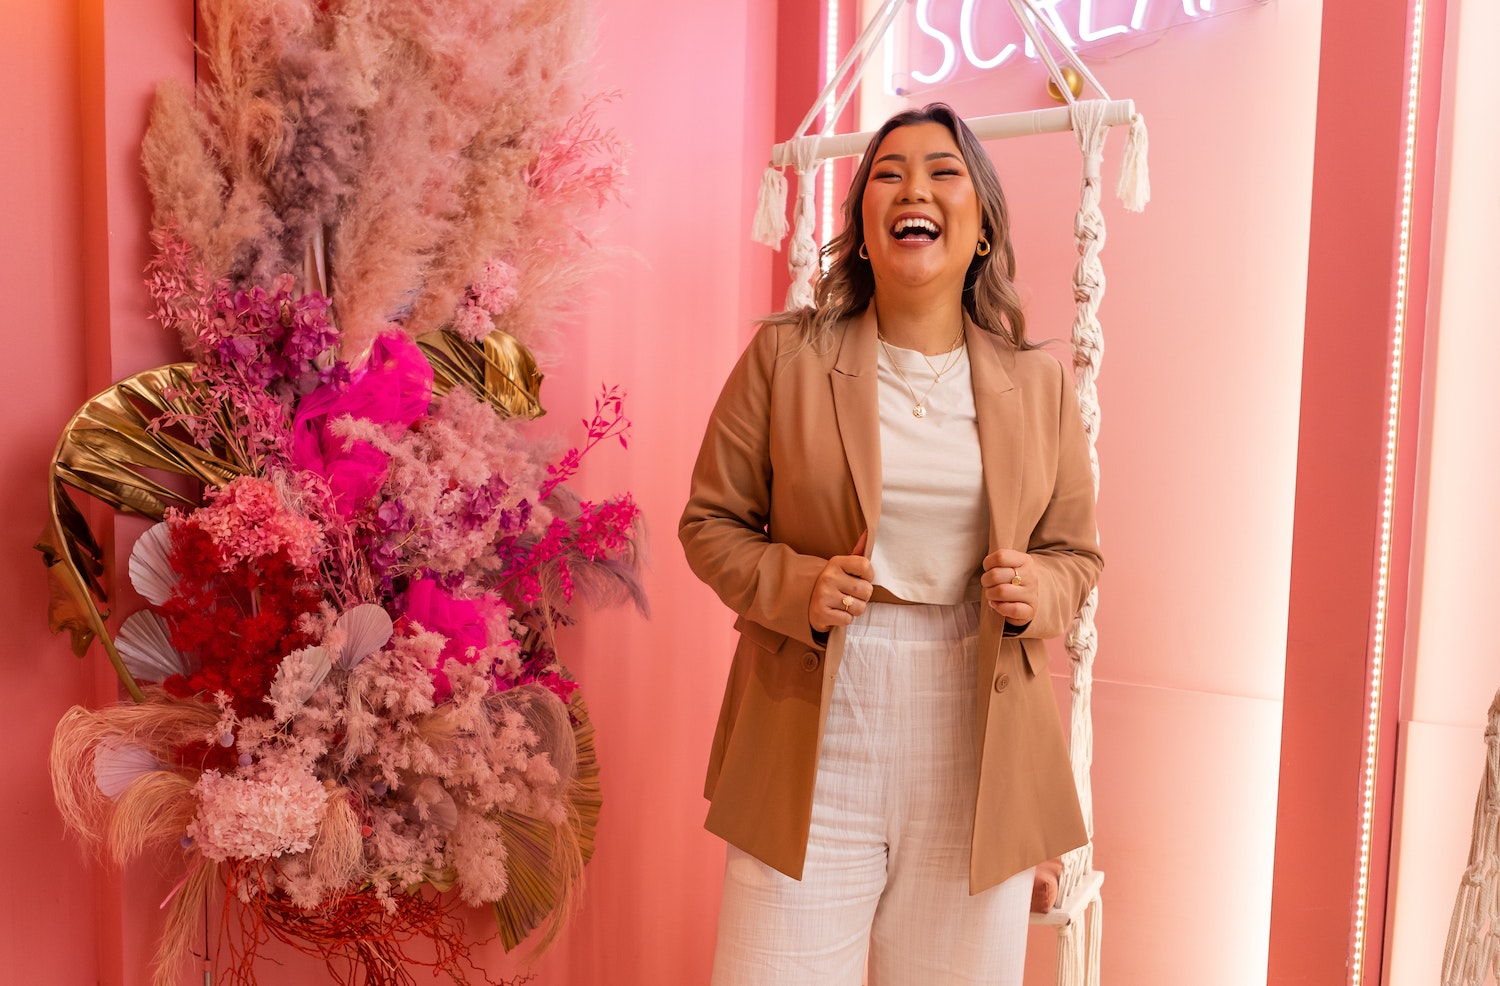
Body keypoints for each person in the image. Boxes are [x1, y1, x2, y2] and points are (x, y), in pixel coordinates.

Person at [679, 103, 1102, 985]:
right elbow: (709, 522)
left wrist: (1041, 591)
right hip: (810, 723)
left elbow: (1076, 555)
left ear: (981, 227)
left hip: (980, 737)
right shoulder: (785, 359)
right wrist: (796, 585)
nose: (915, 188)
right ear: (865, 229)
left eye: (943, 172)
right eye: (888, 173)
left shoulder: (1040, 385)